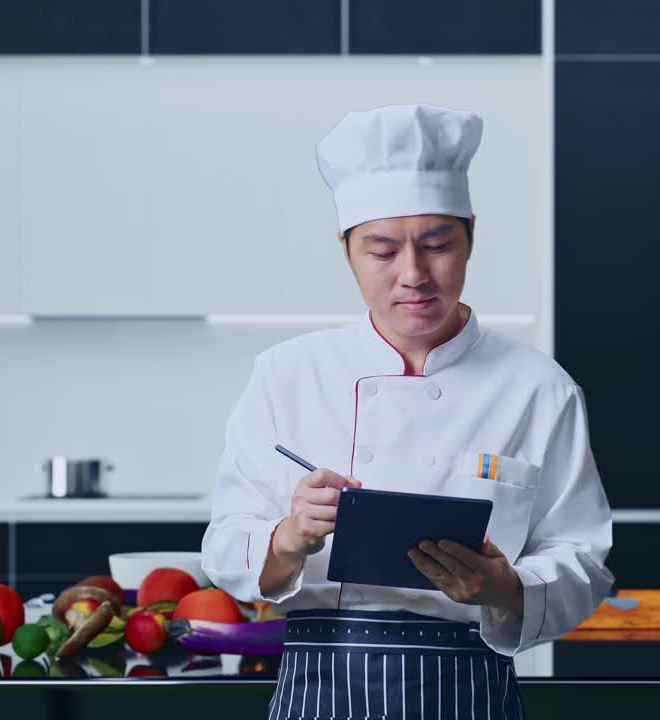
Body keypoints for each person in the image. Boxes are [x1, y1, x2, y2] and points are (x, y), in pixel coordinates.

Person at [202, 103, 613, 719]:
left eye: (437, 245)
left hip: (466, 689)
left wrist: (502, 586)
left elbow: (583, 559)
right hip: (321, 688)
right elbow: (224, 542)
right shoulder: (287, 375)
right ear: (345, 250)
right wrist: (286, 539)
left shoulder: (538, 387)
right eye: (382, 251)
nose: (413, 275)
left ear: (472, 235)